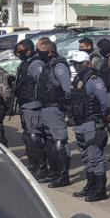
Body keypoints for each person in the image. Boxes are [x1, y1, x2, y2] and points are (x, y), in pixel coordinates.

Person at [65, 51, 110, 202]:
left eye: (79, 64)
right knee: (86, 156)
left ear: (87, 63)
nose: (76, 66)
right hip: (79, 123)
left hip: (92, 122)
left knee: (95, 156)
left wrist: (103, 117)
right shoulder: (77, 79)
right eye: (74, 63)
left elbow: (105, 102)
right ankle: (91, 185)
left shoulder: (94, 80)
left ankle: (100, 189)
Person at [36, 40, 74, 188]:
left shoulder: (59, 66)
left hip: (55, 107)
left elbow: (67, 90)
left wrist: (66, 107)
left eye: (41, 52)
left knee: (59, 141)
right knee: (50, 142)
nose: (38, 54)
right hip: (45, 107)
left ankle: (63, 176)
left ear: (50, 52)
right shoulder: (48, 65)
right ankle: (54, 173)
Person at [13, 40, 49, 180]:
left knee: (35, 136)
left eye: (21, 49)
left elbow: (41, 84)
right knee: (28, 136)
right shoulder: (25, 63)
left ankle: (42, 167)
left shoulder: (36, 64)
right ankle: (33, 164)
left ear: (28, 50)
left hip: (34, 105)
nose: (18, 52)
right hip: (25, 105)